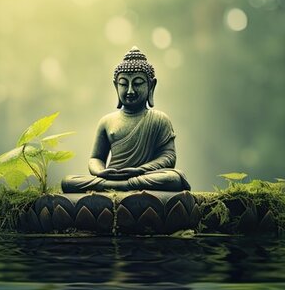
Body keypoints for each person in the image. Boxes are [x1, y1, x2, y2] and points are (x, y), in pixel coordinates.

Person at [61, 46, 190, 193]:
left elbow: (168, 157)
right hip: (111, 177)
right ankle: (119, 185)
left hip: (143, 176)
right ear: (116, 86)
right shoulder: (107, 121)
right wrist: (101, 172)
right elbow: (96, 158)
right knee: (68, 181)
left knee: (173, 178)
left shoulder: (159, 119)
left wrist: (140, 170)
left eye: (137, 83)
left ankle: (116, 186)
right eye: (123, 84)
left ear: (151, 86)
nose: (130, 90)